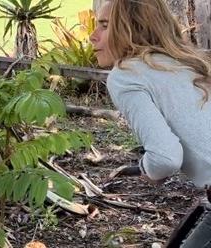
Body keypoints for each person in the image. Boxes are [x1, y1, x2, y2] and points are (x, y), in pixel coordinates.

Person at [89, 0, 211, 247]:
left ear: (131, 28)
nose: (93, 37)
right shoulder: (184, 63)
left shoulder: (126, 75)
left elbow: (165, 157)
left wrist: (147, 169)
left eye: (104, 26)